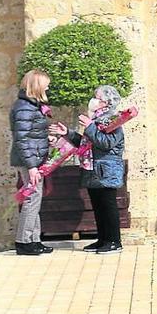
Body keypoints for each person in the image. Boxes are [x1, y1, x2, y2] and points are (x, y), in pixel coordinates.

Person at [51, 86, 127, 254]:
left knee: (108, 205)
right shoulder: (95, 120)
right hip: (92, 169)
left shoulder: (113, 120)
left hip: (105, 170)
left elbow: (106, 143)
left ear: (106, 102)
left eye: (97, 98)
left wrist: (90, 126)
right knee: (98, 206)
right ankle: (103, 239)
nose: (93, 100)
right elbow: (86, 144)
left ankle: (114, 241)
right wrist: (68, 133)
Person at [10, 69, 54, 256]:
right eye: (46, 84)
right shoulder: (24, 108)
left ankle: (34, 240)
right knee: (31, 199)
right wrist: (32, 166)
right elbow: (22, 139)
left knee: (34, 199)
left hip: (35, 158)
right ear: (37, 86)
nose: (48, 87)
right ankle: (24, 241)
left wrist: (47, 138)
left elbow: (32, 134)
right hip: (30, 161)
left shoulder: (31, 106)